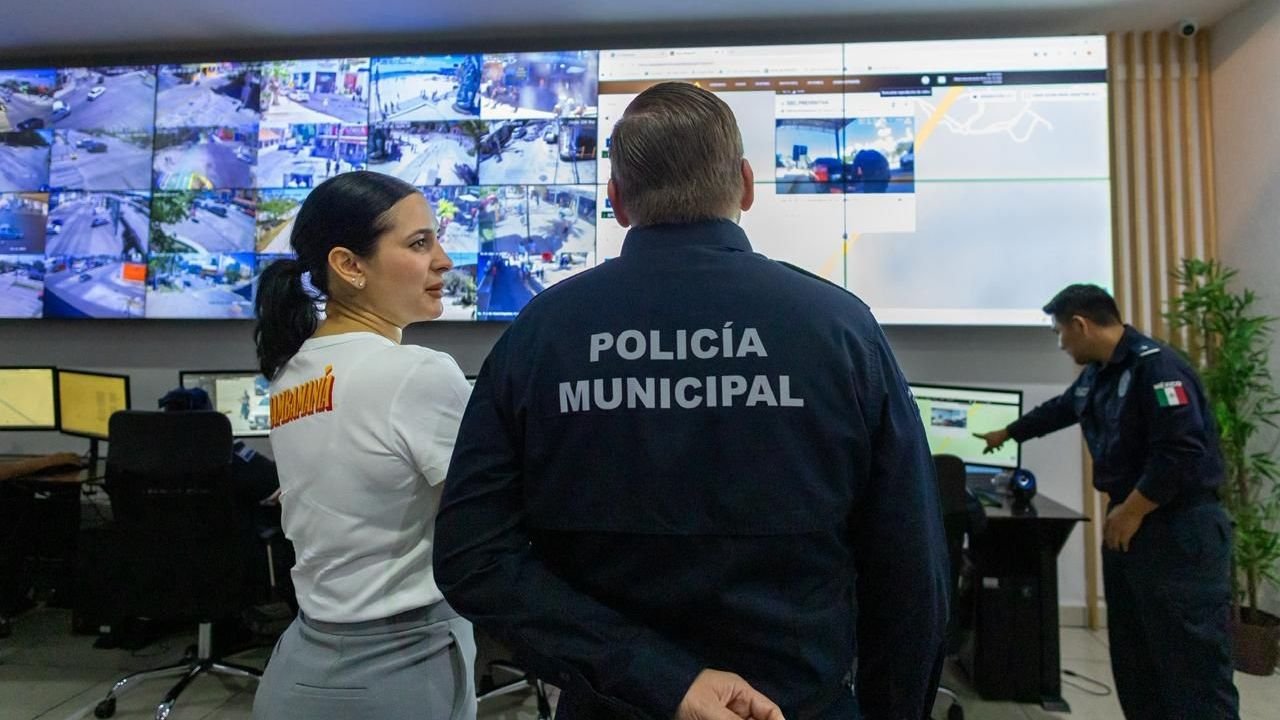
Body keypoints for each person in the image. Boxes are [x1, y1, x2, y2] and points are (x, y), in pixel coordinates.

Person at [434, 82, 949, 720]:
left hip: (616, 704)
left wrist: (657, 676)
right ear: (747, 185)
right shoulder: (839, 329)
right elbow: (910, 568)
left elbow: (471, 557)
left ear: (617, 201)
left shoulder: (540, 333)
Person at [250, 172, 476, 720]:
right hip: (400, 669)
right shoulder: (414, 373)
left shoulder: (290, 373)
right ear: (349, 266)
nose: (443, 260)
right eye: (420, 243)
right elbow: (483, 526)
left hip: (300, 664)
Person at [976, 284, 1239, 720]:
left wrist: (1133, 509)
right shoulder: (1099, 374)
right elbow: (1063, 408)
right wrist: (1009, 433)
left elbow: (1182, 450)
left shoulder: (1157, 368)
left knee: (1192, 667)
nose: (1061, 344)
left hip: (1178, 531)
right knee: (1137, 662)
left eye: (1061, 334)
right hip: (1130, 527)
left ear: (1080, 324)